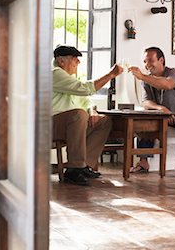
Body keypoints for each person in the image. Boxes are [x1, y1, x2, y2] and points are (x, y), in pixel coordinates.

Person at [52, 44, 123, 186]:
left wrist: (92, 111)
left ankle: (84, 166)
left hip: (68, 126)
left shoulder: (69, 80)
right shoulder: (55, 73)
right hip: (48, 126)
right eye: (75, 59)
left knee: (104, 121)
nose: (78, 62)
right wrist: (110, 75)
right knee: (78, 114)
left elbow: (85, 100)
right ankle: (74, 168)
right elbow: (85, 90)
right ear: (61, 61)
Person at [129, 47, 175, 179]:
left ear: (161, 60)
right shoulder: (146, 80)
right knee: (145, 118)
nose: (147, 65)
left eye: (150, 61)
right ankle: (143, 162)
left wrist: (142, 76)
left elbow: (167, 84)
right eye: (145, 62)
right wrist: (161, 109)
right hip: (164, 116)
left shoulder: (174, 73)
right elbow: (146, 102)